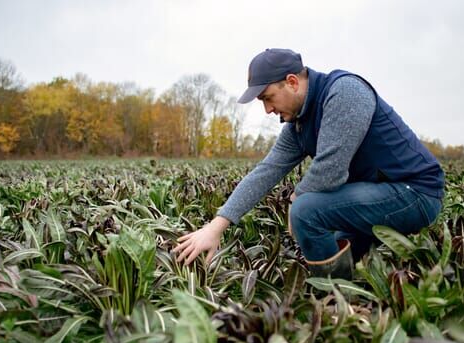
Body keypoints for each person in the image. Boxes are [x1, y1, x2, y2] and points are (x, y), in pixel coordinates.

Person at [173, 48, 444, 279]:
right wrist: (215, 227)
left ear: (292, 82)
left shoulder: (345, 92)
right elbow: (265, 172)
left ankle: (335, 300)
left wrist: (295, 200)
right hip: (377, 194)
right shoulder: (298, 125)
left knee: (306, 211)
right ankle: (361, 278)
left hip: (415, 193)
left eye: (267, 98)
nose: (267, 110)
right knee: (330, 239)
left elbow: (330, 171)